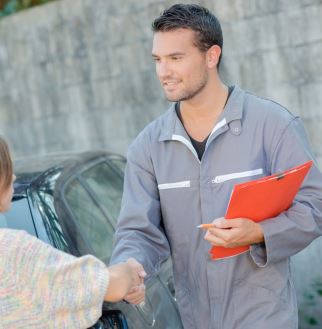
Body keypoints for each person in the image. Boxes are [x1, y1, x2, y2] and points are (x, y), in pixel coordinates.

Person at [110, 3, 322, 329]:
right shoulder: (147, 148)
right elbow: (138, 231)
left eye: (175, 58)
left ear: (212, 56)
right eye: (158, 59)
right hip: (196, 320)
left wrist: (260, 233)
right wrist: (130, 268)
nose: (162, 72)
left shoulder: (273, 125)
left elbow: (315, 205)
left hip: (266, 319)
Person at [0, 136, 146, 329]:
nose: (14, 176)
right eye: (7, 168)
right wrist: (130, 270)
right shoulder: (13, 252)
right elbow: (111, 285)